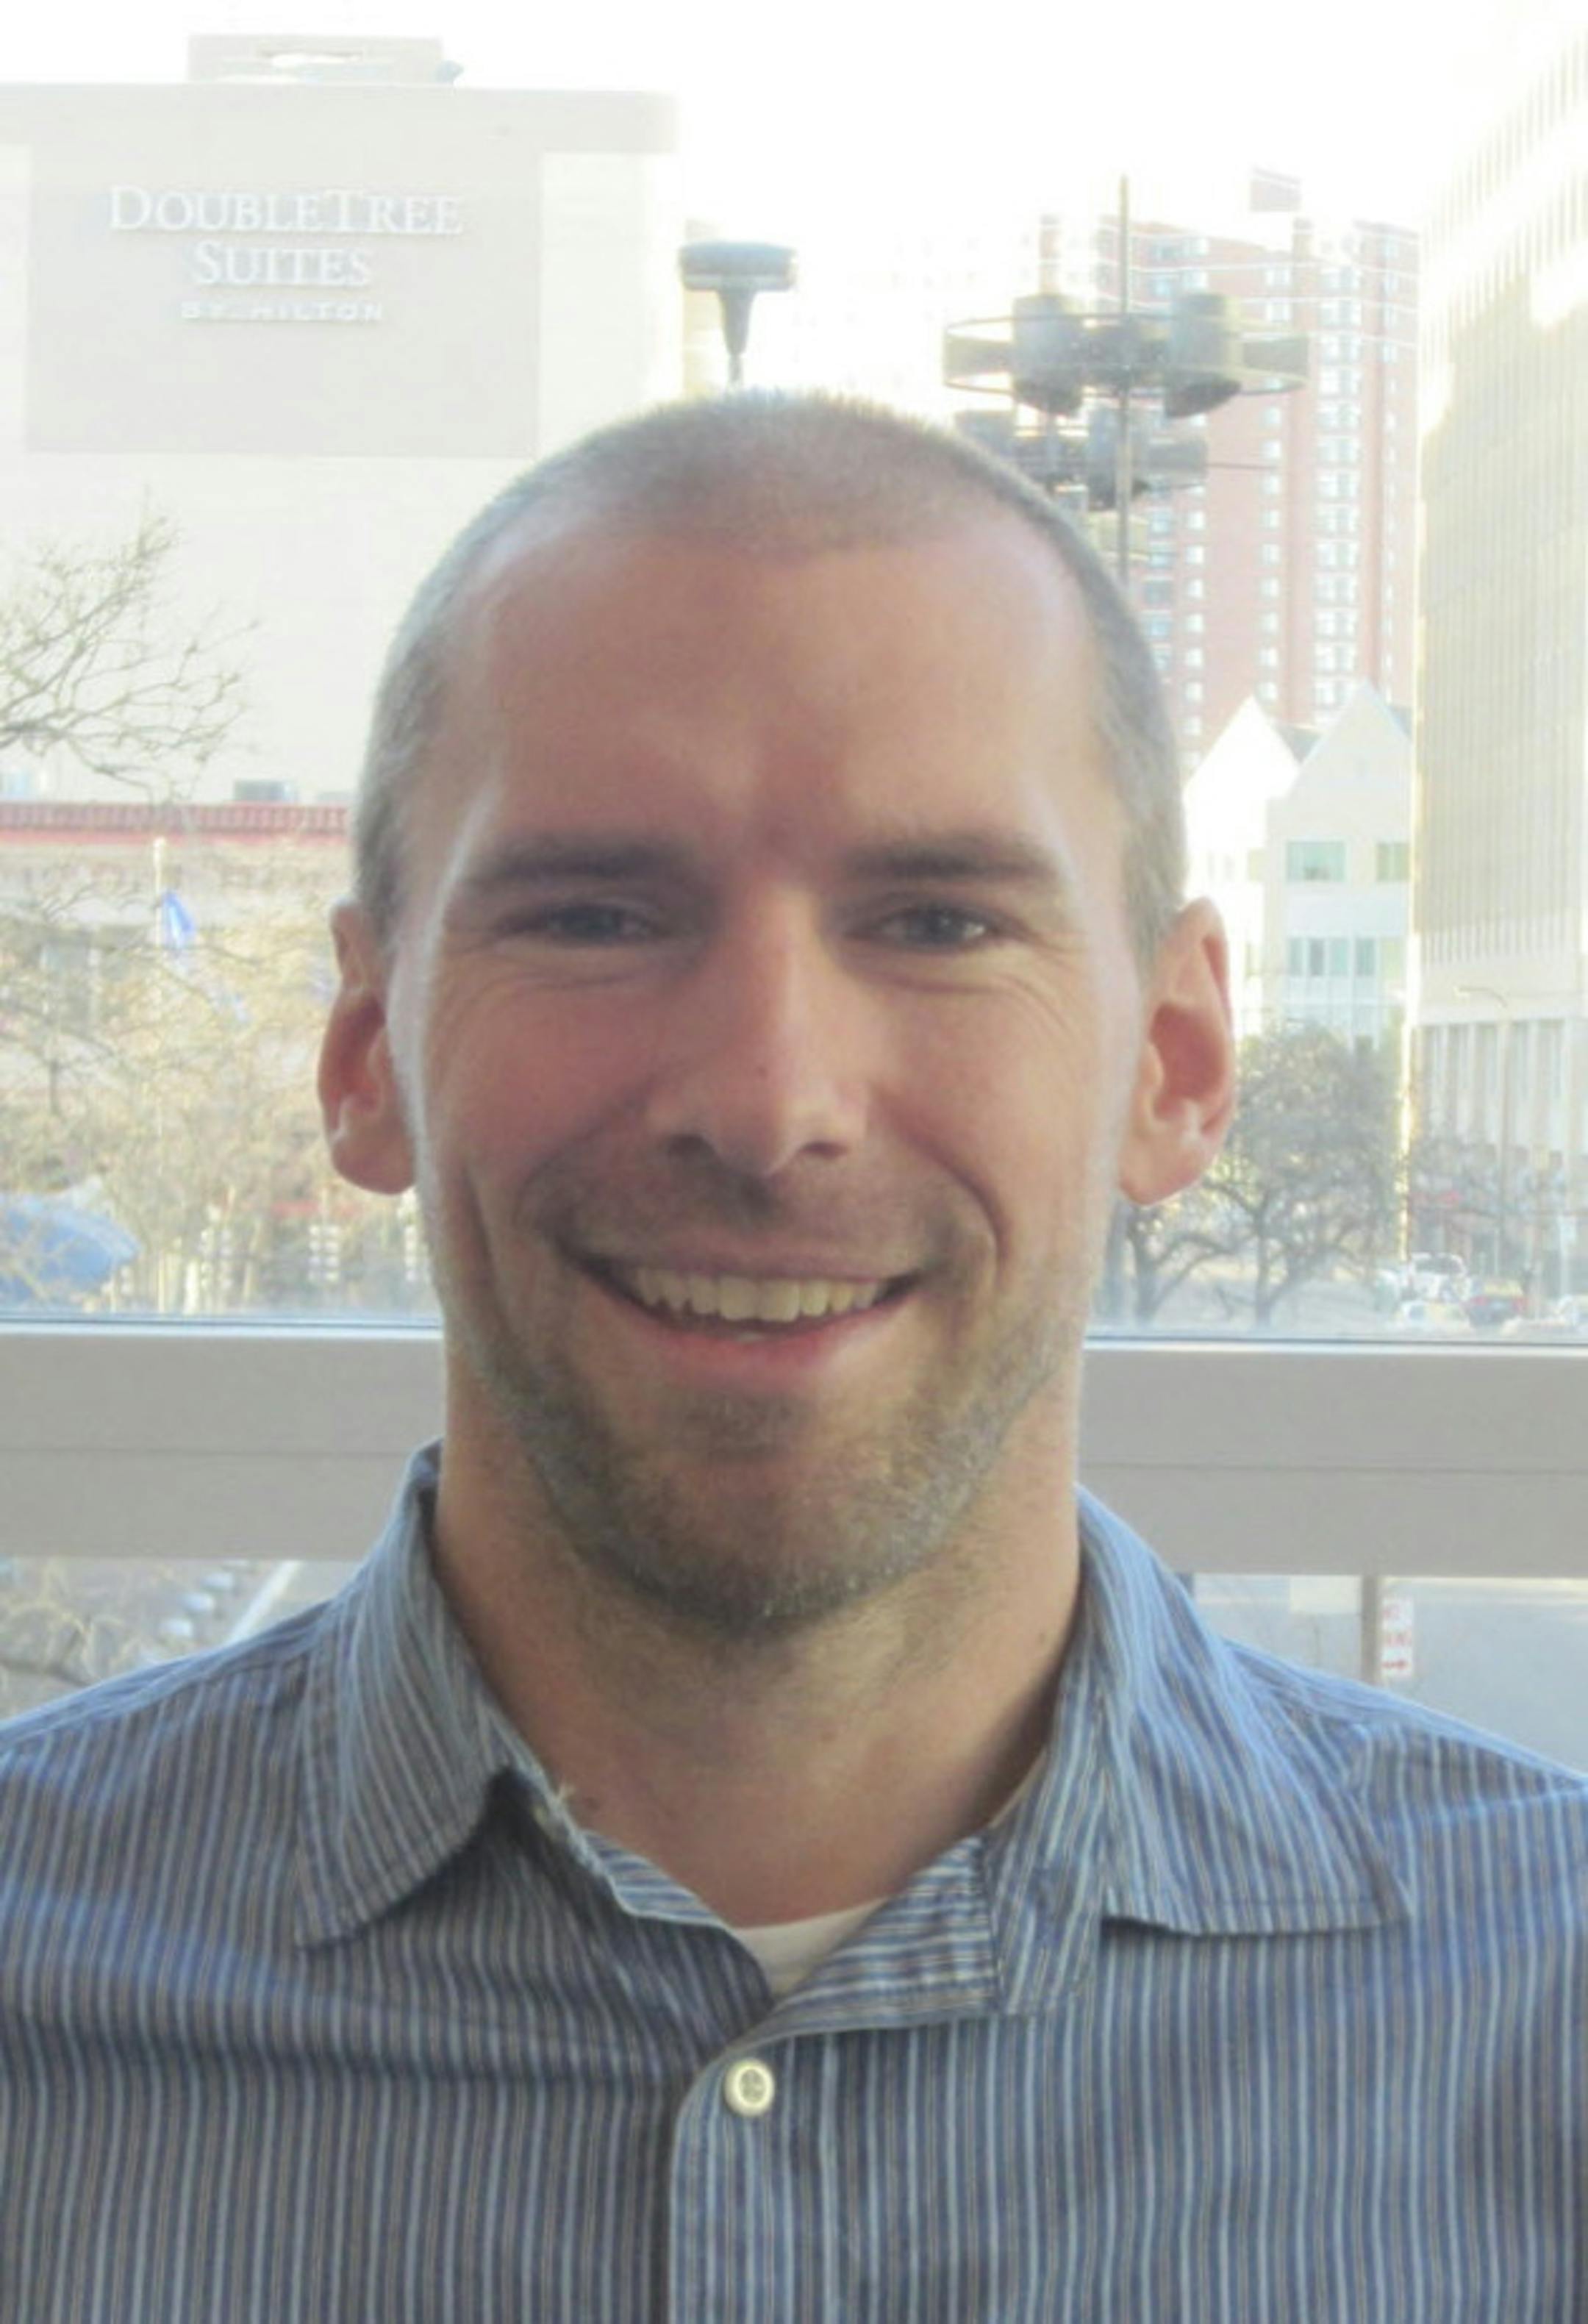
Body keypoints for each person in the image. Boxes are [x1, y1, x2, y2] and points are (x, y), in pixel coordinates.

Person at [0, 393, 1582, 2321]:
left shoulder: (1544, 2025)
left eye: (938, 920)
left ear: (1173, 1062)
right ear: (365, 1056)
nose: (767, 1100)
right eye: (596, 914)